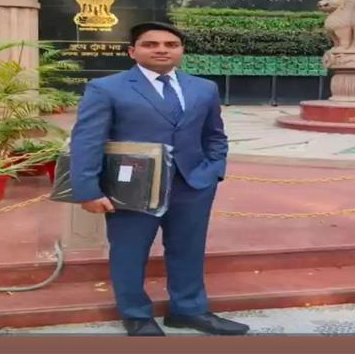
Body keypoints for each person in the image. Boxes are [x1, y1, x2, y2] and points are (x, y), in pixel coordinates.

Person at [69, 21, 250, 336]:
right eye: (150, 44)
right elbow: (87, 140)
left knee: (188, 249)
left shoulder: (203, 88)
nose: (162, 50)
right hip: (132, 187)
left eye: (171, 44)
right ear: (132, 51)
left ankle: (189, 310)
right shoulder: (107, 88)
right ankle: (136, 315)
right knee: (129, 251)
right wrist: (87, 190)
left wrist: (214, 169)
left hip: (192, 184)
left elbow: (214, 135)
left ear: (181, 51)